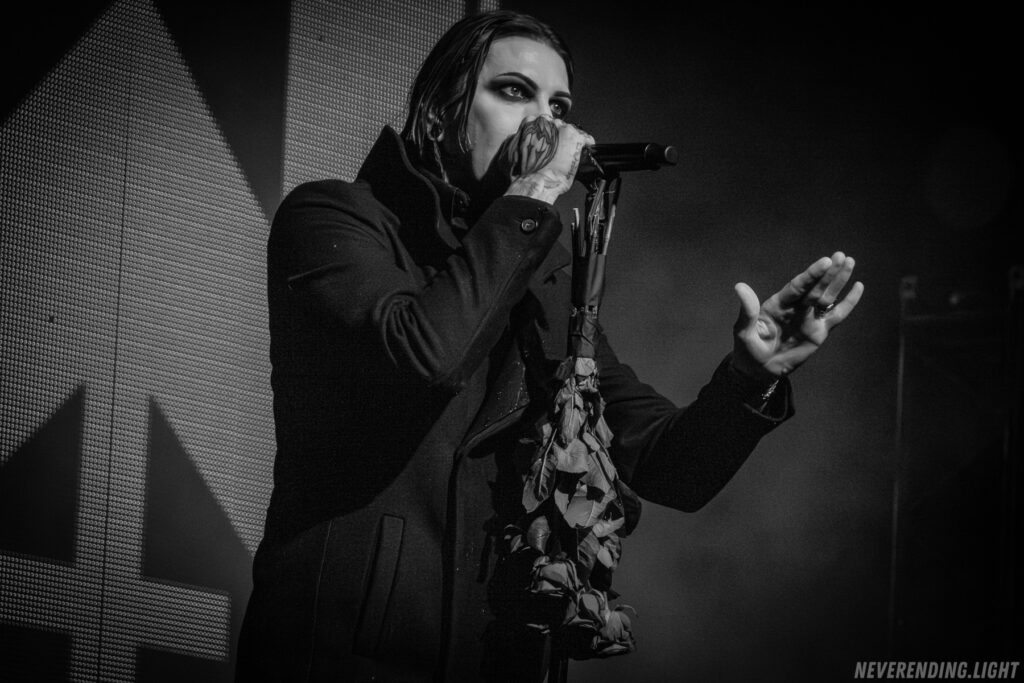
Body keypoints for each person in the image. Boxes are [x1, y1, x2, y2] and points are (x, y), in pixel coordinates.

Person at [235, 9, 863, 682]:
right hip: (343, 657)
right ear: (439, 115)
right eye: (514, 92)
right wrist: (532, 195)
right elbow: (426, 356)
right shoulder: (334, 218)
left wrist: (750, 376)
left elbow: (667, 467)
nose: (546, 125)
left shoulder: (543, 280)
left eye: (559, 106)